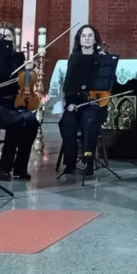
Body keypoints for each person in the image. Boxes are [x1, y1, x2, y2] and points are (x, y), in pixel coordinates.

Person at [0, 23, 40, 181]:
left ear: (13, 40)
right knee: (16, 121)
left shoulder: (18, 58)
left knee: (31, 122)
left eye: (8, 36)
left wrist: (27, 72)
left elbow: (22, 85)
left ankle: (20, 168)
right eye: (0, 36)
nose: (4, 39)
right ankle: (4, 168)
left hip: (12, 104)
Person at [59, 24, 108, 176]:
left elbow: (108, 83)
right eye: (83, 36)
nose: (87, 38)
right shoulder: (74, 59)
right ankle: (70, 161)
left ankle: (89, 160)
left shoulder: (103, 58)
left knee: (89, 120)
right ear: (79, 40)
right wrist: (70, 103)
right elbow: (68, 85)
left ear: (95, 40)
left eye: (90, 36)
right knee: (67, 122)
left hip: (95, 104)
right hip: (76, 103)